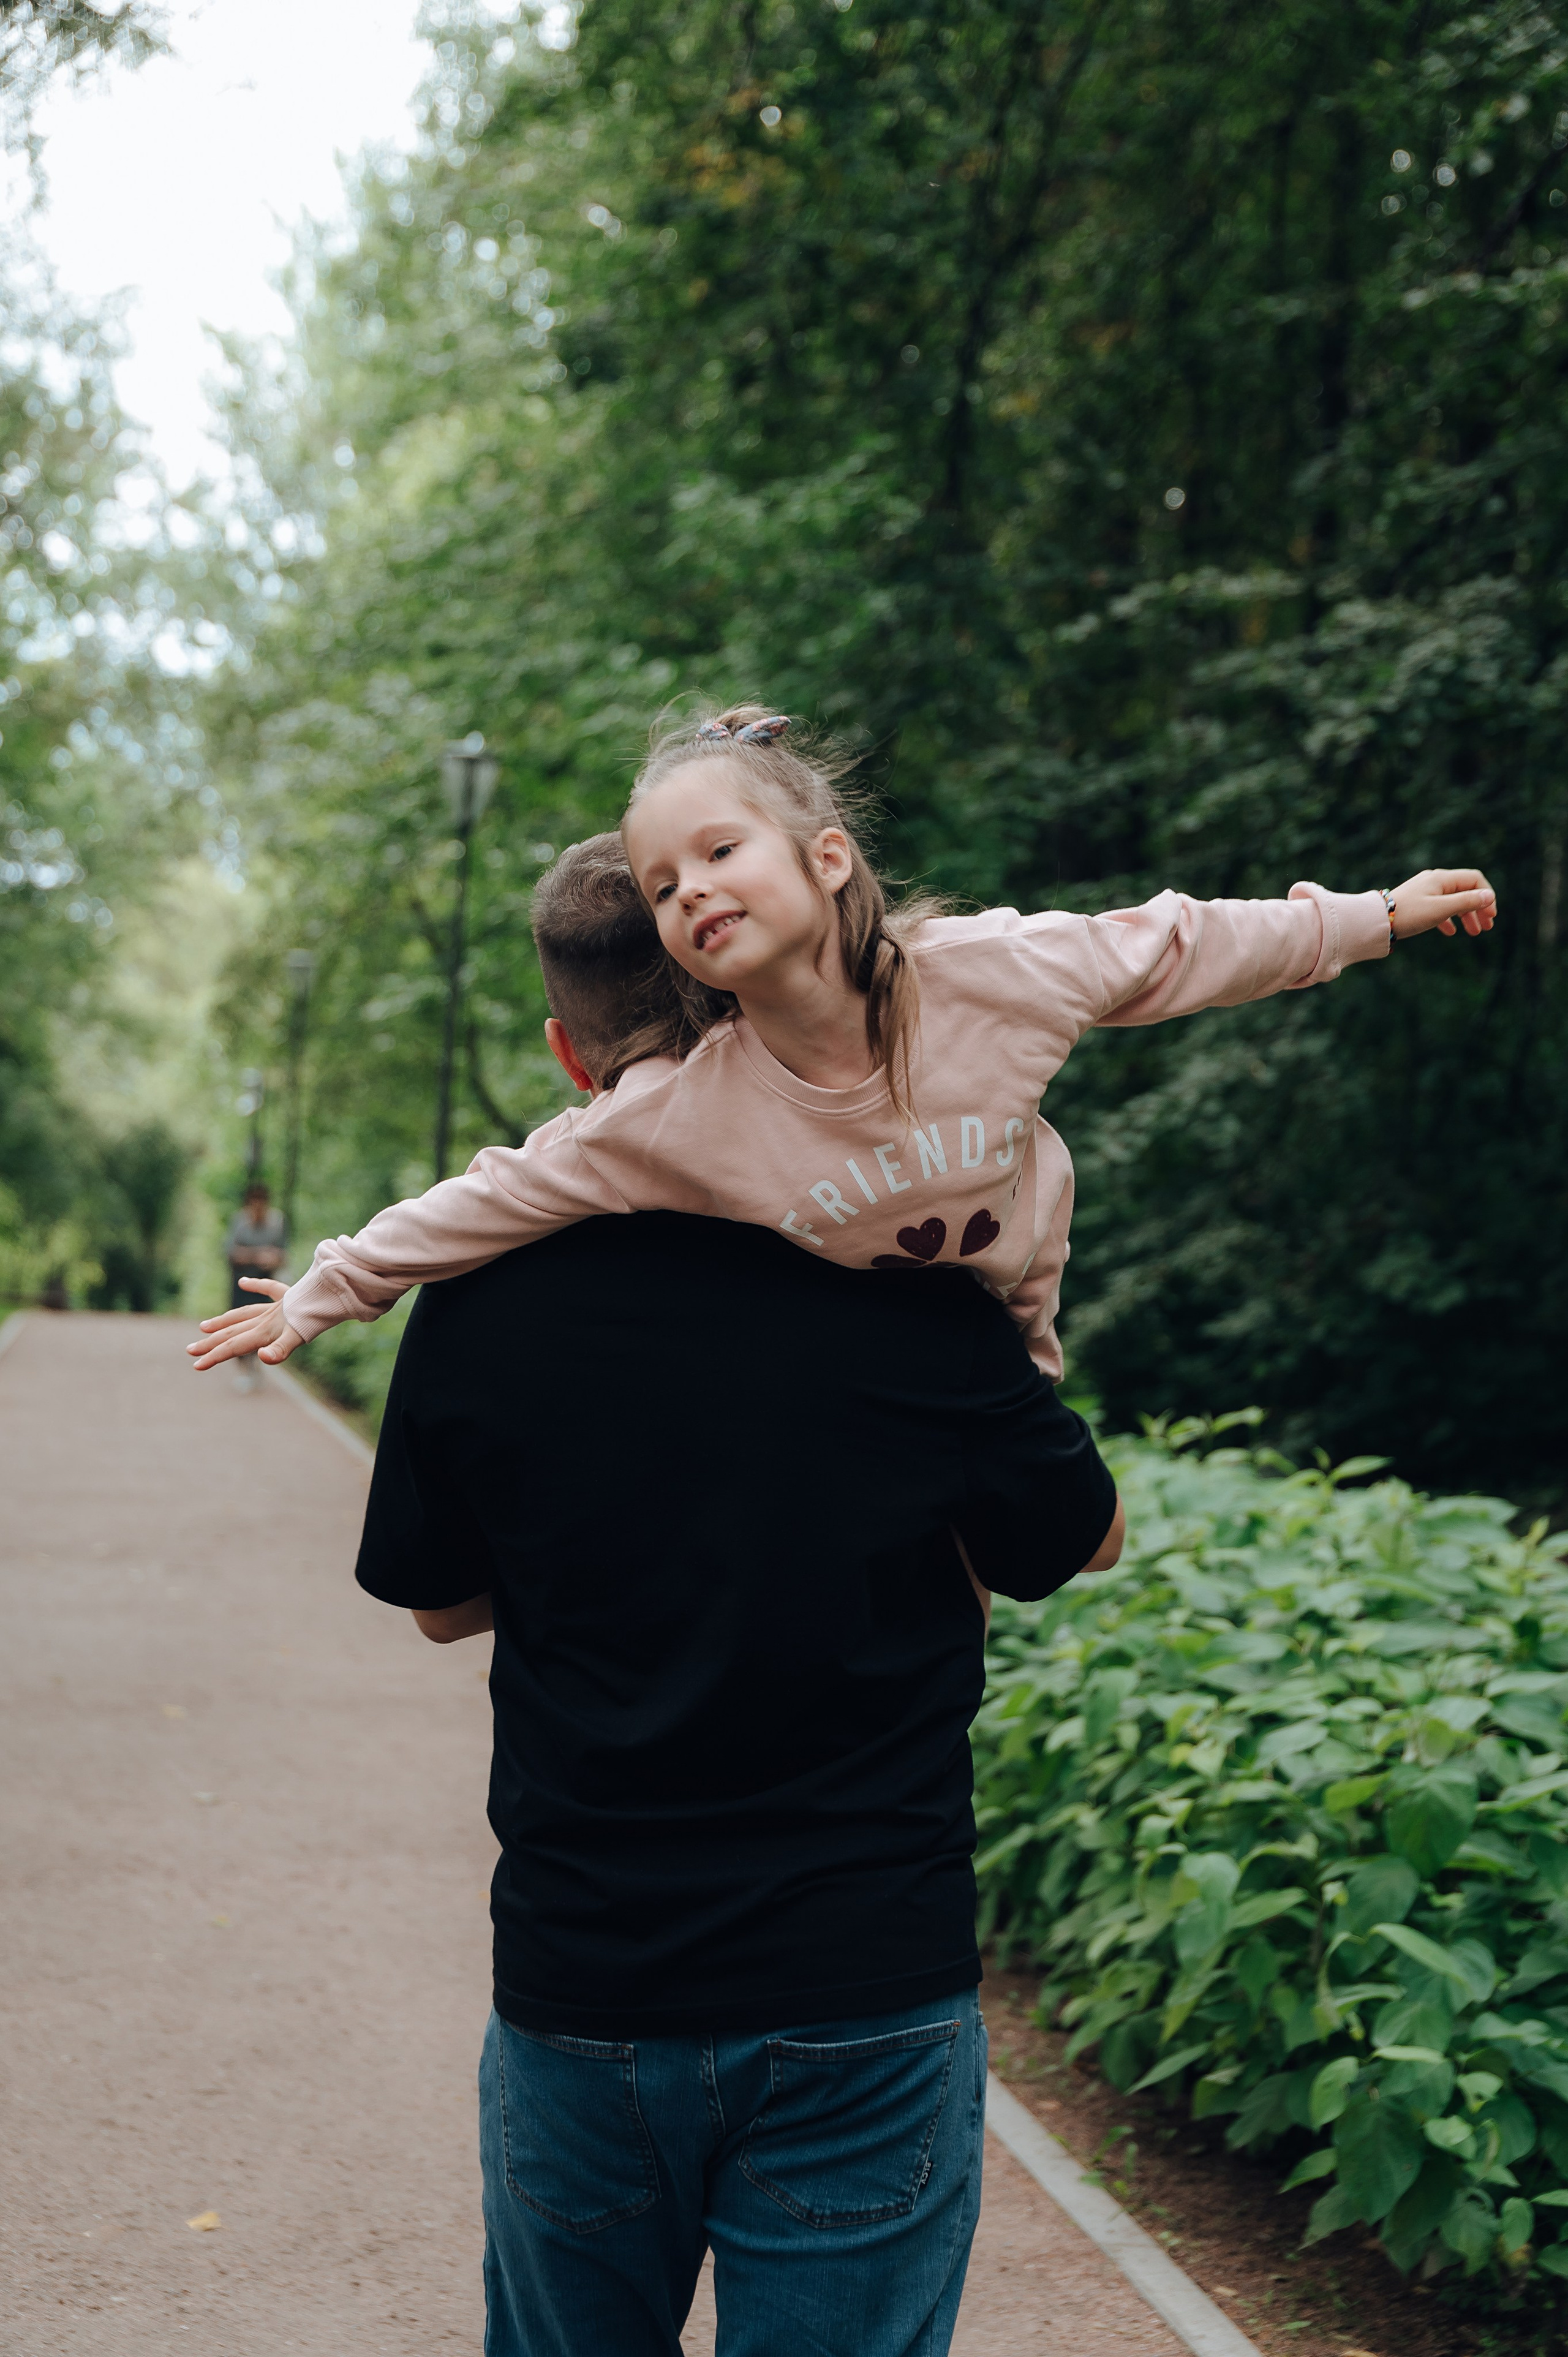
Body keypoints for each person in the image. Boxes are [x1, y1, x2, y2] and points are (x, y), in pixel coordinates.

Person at [353, 837, 1127, 2355]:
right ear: (737, 1001)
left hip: (585, 1975)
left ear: (572, 1054)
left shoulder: (479, 1288)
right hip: (862, 1983)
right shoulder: (901, 1268)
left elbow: (438, 1602)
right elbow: (1075, 1536)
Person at [187, 701, 1497, 1380]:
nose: (689, 888)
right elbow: (507, 1189)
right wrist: (328, 1288)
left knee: (1019, 1506)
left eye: (718, 852)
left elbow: (1174, 944)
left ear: (825, 861)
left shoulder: (982, 976)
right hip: (864, 1342)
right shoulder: (681, 1114)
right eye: (659, 885)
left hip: (1005, 1311)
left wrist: (1371, 917)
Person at [222, 1180, 287, 1392]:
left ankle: (253, 1365)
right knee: (238, 1325)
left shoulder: (277, 1223)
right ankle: (244, 1368)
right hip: (241, 1283)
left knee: (261, 1326)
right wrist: (257, 1255)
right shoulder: (239, 1222)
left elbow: (282, 1255)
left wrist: (268, 1258)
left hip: (264, 1284)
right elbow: (231, 1253)